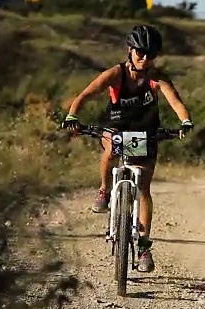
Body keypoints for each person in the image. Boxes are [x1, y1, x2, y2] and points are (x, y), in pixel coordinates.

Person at [62, 25, 193, 273]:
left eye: (150, 54)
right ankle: (104, 190)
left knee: (143, 186)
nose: (145, 59)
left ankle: (144, 247)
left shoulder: (157, 78)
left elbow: (175, 101)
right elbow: (86, 94)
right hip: (117, 129)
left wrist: (185, 121)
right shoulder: (115, 74)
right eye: (140, 53)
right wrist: (72, 115)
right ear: (130, 51)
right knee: (111, 149)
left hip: (145, 134)